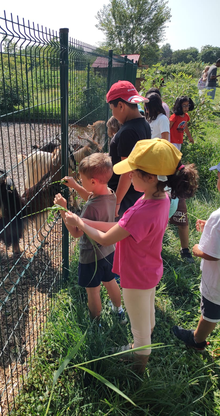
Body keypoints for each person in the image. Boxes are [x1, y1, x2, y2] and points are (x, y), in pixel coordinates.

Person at [63, 139, 199, 373]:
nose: (128, 176)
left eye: (132, 173)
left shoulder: (142, 211)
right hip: (150, 269)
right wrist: (84, 221)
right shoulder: (160, 198)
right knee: (147, 315)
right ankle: (143, 339)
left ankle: (138, 368)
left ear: (151, 177)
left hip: (135, 276)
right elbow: (119, 227)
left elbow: (106, 238)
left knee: (139, 329)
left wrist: (80, 223)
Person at [54, 153, 126, 323]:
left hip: (90, 256)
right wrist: (76, 187)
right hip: (109, 251)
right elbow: (92, 196)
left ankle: (96, 324)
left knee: (93, 291)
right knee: (110, 281)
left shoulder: (90, 210)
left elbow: (76, 232)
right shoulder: (110, 194)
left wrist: (63, 209)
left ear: (93, 182)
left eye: (82, 179)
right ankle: (119, 311)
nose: (80, 181)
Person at [173, 162, 220, 351]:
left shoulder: (218, 217)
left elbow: (212, 254)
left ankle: (197, 339)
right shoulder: (216, 219)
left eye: (218, 178)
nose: (217, 180)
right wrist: (209, 225)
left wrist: (195, 248)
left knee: (210, 311)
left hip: (216, 282)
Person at [106, 80, 151, 219]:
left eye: (112, 109)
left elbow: (127, 171)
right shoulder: (144, 124)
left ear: (121, 105)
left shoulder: (128, 131)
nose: (113, 114)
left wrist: (117, 202)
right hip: (134, 192)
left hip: (123, 196)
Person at [169, 96, 195, 262]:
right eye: (184, 105)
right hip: (170, 143)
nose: (186, 108)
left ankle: (185, 249)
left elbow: (184, 129)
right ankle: (185, 250)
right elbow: (168, 128)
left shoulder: (186, 117)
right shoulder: (173, 117)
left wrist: (189, 137)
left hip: (178, 145)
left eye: (188, 105)